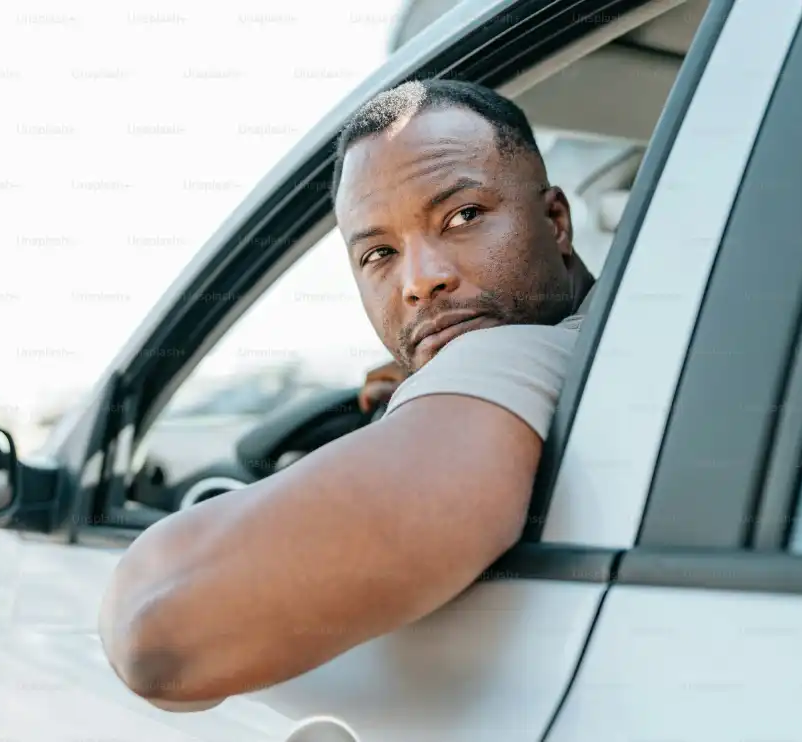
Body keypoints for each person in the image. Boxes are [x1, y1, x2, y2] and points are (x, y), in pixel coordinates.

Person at [98, 78, 595, 710]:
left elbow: (159, 634)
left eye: (463, 216)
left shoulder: (510, 353)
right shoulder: (618, 339)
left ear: (555, 221)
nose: (421, 282)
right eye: (380, 253)